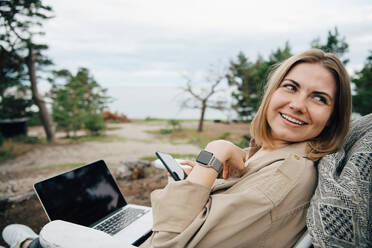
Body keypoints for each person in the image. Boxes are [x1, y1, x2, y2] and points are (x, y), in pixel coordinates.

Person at [2, 48, 352, 248]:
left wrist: (213, 153)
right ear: (272, 92)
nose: (298, 104)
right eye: (290, 87)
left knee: (54, 230)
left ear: (333, 116)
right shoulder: (273, 155)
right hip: (176, 228)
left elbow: (167, 244)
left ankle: (32, 245)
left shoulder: (285, 176)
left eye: (318, 98)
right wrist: (199, 177)